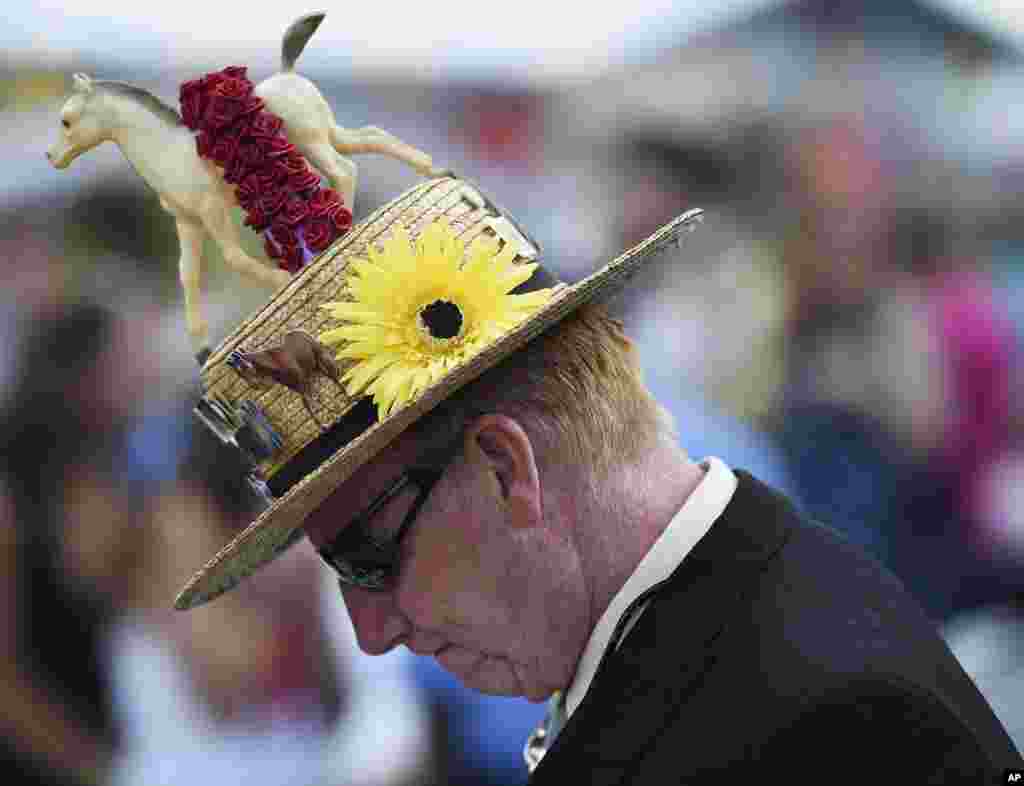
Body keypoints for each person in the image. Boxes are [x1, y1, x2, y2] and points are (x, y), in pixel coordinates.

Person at [174, 177, 1022, 782]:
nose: (369, 630)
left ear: (508, 470)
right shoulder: (724, 634)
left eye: (369, 556)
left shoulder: (823, 721)